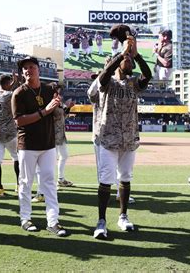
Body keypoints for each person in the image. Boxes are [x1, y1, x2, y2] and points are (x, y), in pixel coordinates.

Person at [90, 24, 152, 239]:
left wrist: (136, 55)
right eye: (127, 60)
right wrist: (122, 52)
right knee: (106, 180)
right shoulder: (107, 82)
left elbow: (148, 74)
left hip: (129, 140)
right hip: (108, 138)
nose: (130, 62)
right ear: (118, 63)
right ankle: (101, 221)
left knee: (125, 178)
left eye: (131, 62)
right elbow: (105, 74)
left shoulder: (134, 83)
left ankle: (123, 217)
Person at [12, 56, 68, 237]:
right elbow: (19, 121)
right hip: (27, 145)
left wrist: (59, 107)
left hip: (48, 144)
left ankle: (53, 221)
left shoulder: (49, 89)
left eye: (32, 67)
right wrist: (45, 111)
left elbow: (57, 114)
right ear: (22, 73)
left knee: (49, 184)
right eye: (25, 68)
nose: (29, 70)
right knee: (25, 183)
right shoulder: (19, 93)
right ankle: (25, 219)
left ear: (39, 69)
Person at [0, 73, 20, 196]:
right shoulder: (11, 94)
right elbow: (14, 94)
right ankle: (18, 185)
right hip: (10, 132)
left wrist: (12, 83)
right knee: (16, 158)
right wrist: (17, 82)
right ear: (8, 83)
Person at [52, 84, 75, 187]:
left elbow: (63, 116)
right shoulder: (50, 104)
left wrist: (68, 108)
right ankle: (50, 183)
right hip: (52, 134)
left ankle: (60, 179)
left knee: (64, 155)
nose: (59, 94)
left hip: (61, 134)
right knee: (52, 159)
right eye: (57, 92)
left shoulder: (59, 103)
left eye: (59, 92)